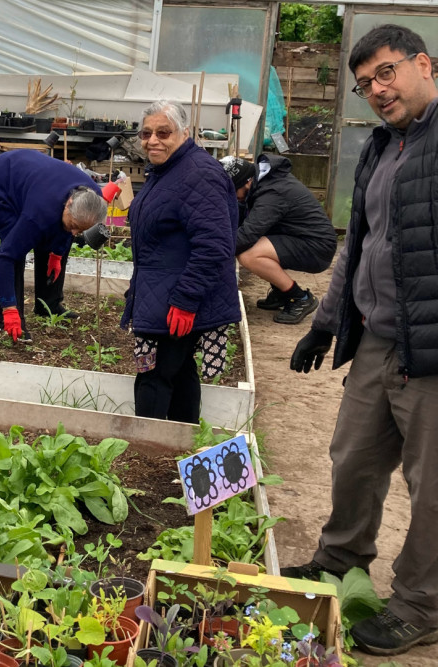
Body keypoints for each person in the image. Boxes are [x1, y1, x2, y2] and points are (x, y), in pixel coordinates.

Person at [285, 24, 438, 656]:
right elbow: (362, 244)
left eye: (386, 73)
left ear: (424, 65)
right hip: (377, 340)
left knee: (430, 484)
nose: (376, 90)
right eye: (364, 83)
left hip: (430, 351)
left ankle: (421, 603)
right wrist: (325, 322)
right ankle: (338, 558)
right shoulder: (382, 147)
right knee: (353, 458)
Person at [120, 100, 240, 424]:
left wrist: (186, 299)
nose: (153, 140)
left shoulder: (197, 174)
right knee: (180, 372)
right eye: (146, 133)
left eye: (163, 132)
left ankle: (149, 454)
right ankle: (180, 449)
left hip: (175, 303)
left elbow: (215, 245)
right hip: (162, 296)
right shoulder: (166, 171)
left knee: (154, 379)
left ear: (184, 133)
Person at [0, 149, 110, 343]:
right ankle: (9, 319)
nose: (75, 234)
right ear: (68, 203)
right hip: (3, 180)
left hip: (38, 181)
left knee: (62, 233)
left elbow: (67, 230)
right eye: (75, 226)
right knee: (16, 249)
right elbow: (5, 258)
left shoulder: (94, 199)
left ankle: (48, 304)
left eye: (80, 231)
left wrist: (57, 254)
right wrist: (9, 308)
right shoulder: (38, 214)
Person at [221, 155, 336, 324]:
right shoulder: (264, 182)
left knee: (249, 255)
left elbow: (248, 234)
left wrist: (215, 252)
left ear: (246, 182)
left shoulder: (273, 193)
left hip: (317, 247)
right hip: (299, 237)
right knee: (252, 246)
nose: (231, 197)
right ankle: (281, 292)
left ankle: (299, 298)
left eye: (232, 191)